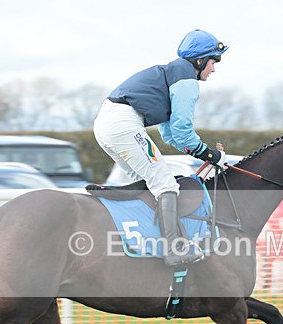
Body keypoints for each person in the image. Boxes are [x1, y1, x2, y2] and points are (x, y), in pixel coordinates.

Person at [93, 29, 228, 267]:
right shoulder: (186, 80)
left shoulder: (172, 75)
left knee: (151, 184)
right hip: (123, 124)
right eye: (213, 62)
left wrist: (197, 151)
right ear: (199, 61)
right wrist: (210, 154)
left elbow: (171, 134)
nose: (214, 69)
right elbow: (183, 130)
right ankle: (175, 249)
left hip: (108, 124)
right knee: (165, 183)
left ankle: (149, 243)